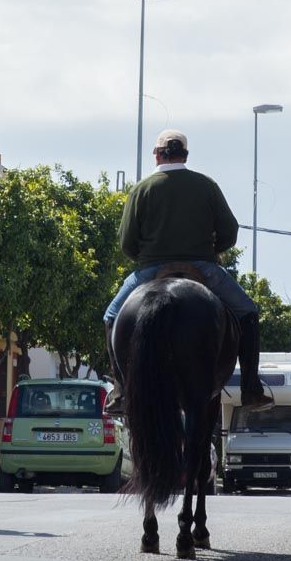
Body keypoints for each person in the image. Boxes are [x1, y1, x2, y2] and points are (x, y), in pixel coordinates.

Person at [103, 129, 272, 415]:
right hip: (203, 267)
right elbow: (229, 232)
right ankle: (251, 388)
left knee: (110, 316)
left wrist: (145, 258)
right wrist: (214, 250)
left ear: (157, 155)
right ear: (185, 154)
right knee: (248, 311)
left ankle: (120, 391)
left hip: (151, 269)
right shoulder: (206, 185)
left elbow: (126, 242)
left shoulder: (142, 189)